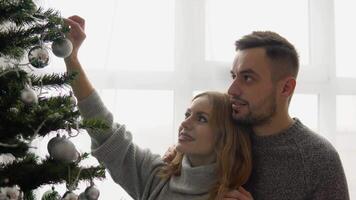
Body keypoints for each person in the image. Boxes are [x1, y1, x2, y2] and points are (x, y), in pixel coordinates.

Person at [64, 15, 254, 200]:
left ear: (224, 138)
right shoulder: (157, 177)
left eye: (201, 118)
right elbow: (105, 130)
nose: (185, 123)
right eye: (188, 114)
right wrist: (71, 59)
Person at [166, 31, 350, 199]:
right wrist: (179, 156)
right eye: (233, 76)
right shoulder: (225, 132)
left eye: (247, 78)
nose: (232, 90)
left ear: (286, 88)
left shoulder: (318, 159)